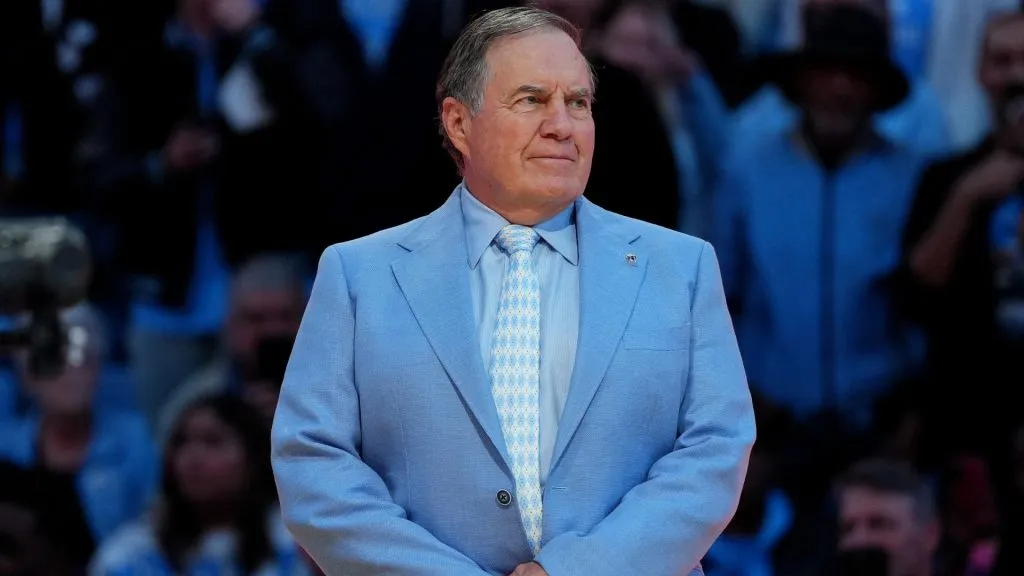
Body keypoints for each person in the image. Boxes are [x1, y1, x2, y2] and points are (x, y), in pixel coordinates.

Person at [271, 6, 755, 576]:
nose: (561, 124)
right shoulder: (358, 275)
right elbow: (313, 465)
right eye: (531, 100)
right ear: (457, 123)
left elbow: (714, 451)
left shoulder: (683, 267)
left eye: (577, 102)